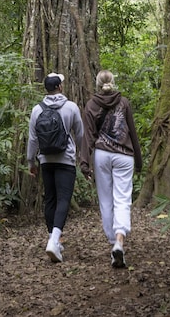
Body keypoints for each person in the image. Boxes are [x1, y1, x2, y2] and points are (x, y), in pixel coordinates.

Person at [80, 69, 142, 268]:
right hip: (125, 156)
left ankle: (113, 243)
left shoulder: (91, 105)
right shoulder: (123, 102)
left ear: (98, 84)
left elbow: (88, 136)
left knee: (106, 201)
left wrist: (84, 163)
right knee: (122, 199)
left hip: (102, 155)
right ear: (113, 82)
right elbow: (132, 132)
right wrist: (139, 160)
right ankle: (119, 240)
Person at [26, 72, 84, 263]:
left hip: (46, 160)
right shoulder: (71, 107)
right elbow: (80, 134)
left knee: (50, 199)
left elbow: (33, 139)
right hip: (65, 160)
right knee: (63, 199)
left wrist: (31, 162)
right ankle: (54, 241)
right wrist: (83, 157)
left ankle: (53, 238)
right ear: (59, 87)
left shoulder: (37, 110)